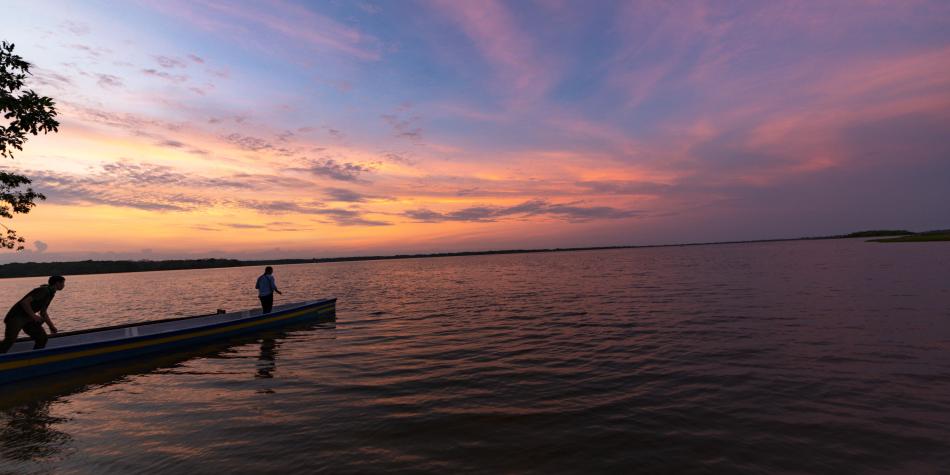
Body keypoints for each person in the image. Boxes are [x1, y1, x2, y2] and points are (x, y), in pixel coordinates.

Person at [0, 275, 65, 353]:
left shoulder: (51, 293)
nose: (64, 285)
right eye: (63, 283)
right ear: (57, 283)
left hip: (28, 318)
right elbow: (24, 303)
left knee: (42, 338)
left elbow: (43, 313)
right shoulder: (43, 290)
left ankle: (36, 357)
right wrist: (34, 316)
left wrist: (51, 326)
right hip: (15, 317)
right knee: (9, 340)